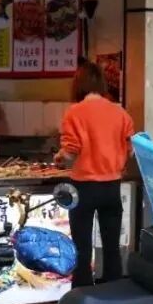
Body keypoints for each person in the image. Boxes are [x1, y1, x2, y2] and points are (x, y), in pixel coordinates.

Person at [55, 61, 135, 288]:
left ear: (78, 84)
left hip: (83, 189)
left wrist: (59, 157)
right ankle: (113, 294)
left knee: (81, 248)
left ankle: (82, 295)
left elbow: (70, 152)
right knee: (112, 248)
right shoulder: (120, 112)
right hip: (112, 187)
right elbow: (131, 150)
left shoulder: (74, 112)